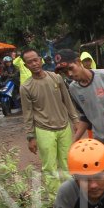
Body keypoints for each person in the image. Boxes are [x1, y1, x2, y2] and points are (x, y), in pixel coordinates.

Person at [21, 48, 79, 181]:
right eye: (30, 62)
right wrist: (31, 137)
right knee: (49, 167)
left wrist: (75, 120)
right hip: (44, 130)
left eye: (35, 60)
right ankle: (55, 198)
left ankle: (69, 195)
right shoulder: (26, 87)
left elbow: (67, 100)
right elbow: (28, 114)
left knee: (67, 164)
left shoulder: (56, 78)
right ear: (26, 66)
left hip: (64, 127)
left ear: (40, 60)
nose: (34, 64)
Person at [60, 49, 104, 164]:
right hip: (99, 144)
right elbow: (84, 116)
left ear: (79, 62)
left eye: (71, 68)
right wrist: (74, 141)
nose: (69, 74)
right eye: (65, 72)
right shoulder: (73, 89)